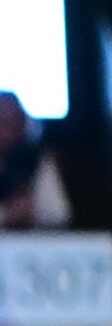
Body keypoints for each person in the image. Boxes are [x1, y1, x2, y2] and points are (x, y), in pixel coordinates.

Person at [0, 92, 70, 230]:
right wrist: (7, 214)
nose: (7, 130)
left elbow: (59, 214)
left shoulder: (37, 160)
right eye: (2, 121)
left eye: (15, 121)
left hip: (27, 245)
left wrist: (29, 209)